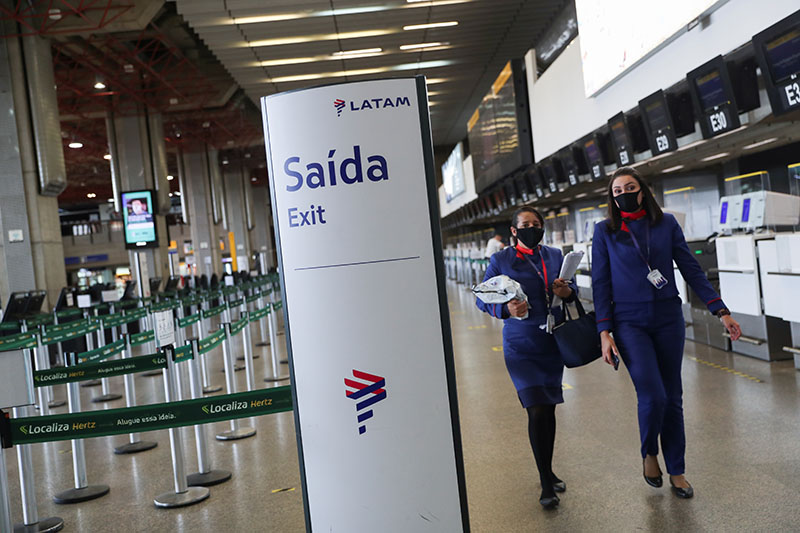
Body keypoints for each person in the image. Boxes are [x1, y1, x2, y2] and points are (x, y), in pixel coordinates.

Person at [591, 167, 742, 499]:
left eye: (630, 187)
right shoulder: (605, 232)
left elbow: (690, 268)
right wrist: (604, 332)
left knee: (673, 398)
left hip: (667, 318)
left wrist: (721, 310)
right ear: (612, 198)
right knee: (653, 394)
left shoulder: (666, 224)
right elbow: (601, 284)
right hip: (629, 322)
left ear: (642, 191)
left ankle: (677, 470)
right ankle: (649, 452)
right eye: (617, 191)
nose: (624, 194)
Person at [476, 207, 576, 510]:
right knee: (536, 410)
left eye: (537, 224)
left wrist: (566, 292)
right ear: (514, 231)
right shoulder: (502, 260)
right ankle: (546, 482)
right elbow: (483, 297)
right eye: (525, 225)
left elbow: (568, 292)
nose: (532, 228)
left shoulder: (555, 255)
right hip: (521, 344)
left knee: (549, 408)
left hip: (552, 341)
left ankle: (549, 469)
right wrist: (506, 311)